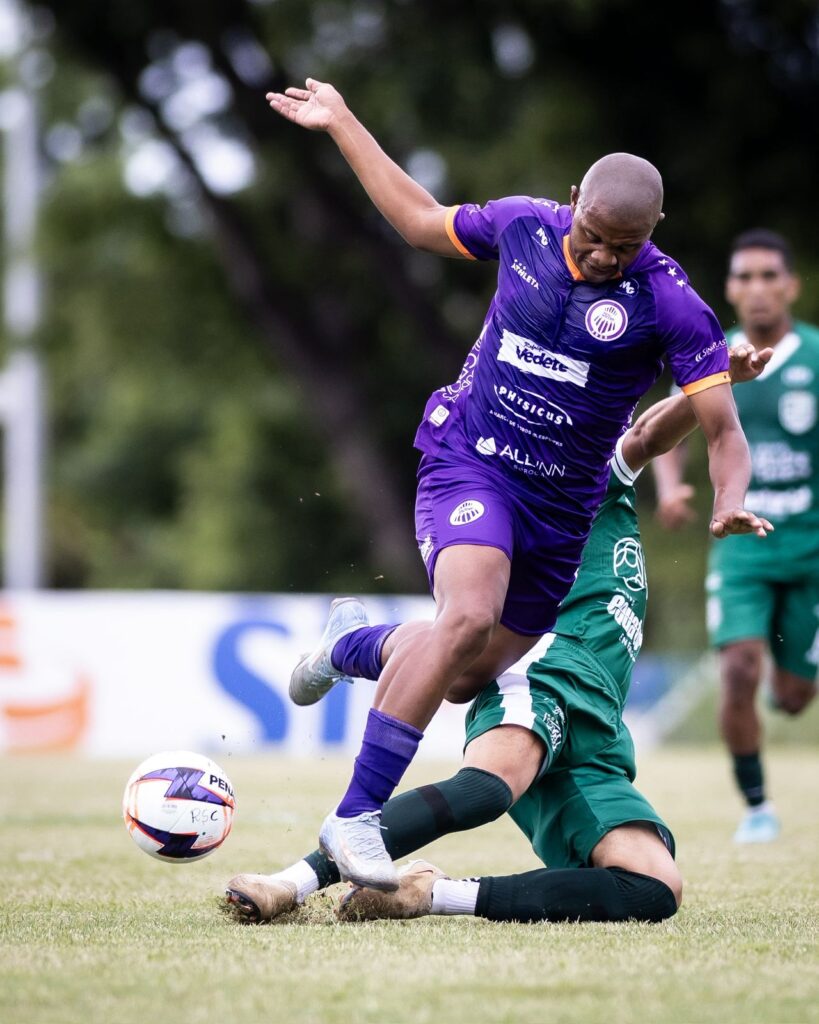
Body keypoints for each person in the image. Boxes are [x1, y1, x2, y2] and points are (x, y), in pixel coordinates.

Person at [266, 77, 768, 891]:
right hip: (469, 460)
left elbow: (723, 430)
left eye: (625, 245)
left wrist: (729, 500)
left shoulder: (674, 306)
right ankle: (354, 816)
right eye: (595, 236)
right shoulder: (524, 226)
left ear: (654, 231)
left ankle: (350, 644)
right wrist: (343, 121)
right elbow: (419, 222)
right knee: (463, 617)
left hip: (560, 517)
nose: (604, 256)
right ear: (574, 202)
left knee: (463, 671)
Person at [224, 344, 772, 925]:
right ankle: (291, 881)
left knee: (653, 889)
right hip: (543, 664)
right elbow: (644, 434)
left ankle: (429, 895)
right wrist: (706, 386)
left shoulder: (604, 476)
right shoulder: (563, 463)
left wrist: (714, 382)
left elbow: (644, 436)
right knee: (486, 786)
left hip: (598, 725)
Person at [653, 229, 819, 843]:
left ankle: (792, 684)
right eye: (743, 277)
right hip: (741, 544)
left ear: (791, 285)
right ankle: (756, 807)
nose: (756, 288)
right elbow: (667, 425)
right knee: (740, 670)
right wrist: (670, 489)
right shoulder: (710, 352)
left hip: (810, 551)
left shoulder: (817, 360)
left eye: (768, 275)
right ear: (729, 288)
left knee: (797, 696)